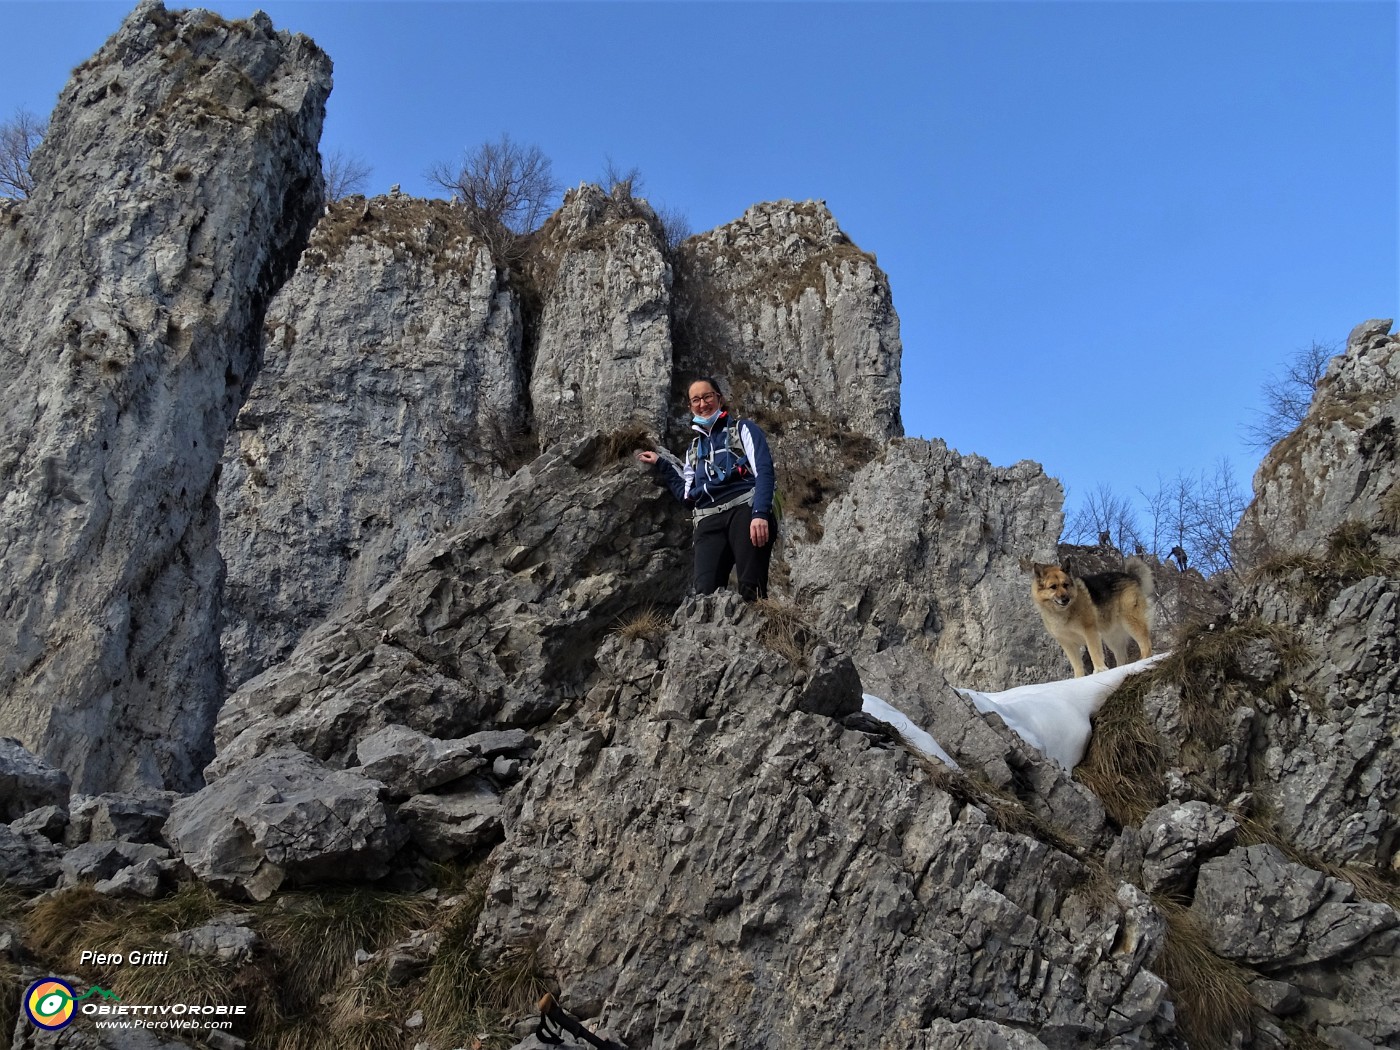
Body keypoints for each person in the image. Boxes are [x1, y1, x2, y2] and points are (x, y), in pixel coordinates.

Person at [636, 377, 777, 600]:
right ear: (690, 407)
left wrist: (760, 514)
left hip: (745, 510)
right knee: (704, 595)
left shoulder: (743, 429)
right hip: (708, 519)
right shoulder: (693, 450)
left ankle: (761, 633)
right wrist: (662, 464)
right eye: (696, 400)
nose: (702, 404)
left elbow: (765, 472)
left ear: (719, 399)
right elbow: (687, 497)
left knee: (752, 588)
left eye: (707, 396)